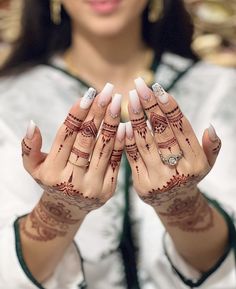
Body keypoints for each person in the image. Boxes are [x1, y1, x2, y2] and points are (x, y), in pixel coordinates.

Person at [0, 0, 235, 288]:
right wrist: (59, 209)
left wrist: (180, 203)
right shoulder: (9, 100)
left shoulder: (222, 91)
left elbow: (221, 264)